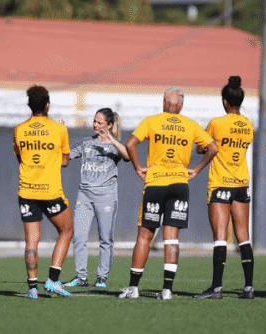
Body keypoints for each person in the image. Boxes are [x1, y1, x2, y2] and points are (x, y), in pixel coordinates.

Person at [119, 87, 217, 300]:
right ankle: (167, 290)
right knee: (171, 239)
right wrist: (197, 169)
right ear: (181, 105)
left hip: (155, 183)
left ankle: (133, 288)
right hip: (180, 185)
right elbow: (213, 148)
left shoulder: (151, 121)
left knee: (145, 236)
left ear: (164, 102)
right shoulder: (191, 125)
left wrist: (138, 167)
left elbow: (130, 144)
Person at [192, 76, 255, 300]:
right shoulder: (248, 125)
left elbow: (206, 148)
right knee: (243, 237)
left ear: (226, 102)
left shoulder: (216, 123)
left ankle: (216, 288)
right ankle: (249, 288)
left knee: (220, 237)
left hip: (220, 184)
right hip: (242, 184)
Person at [13, 85, 74, 299]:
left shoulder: (19, 129)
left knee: (32, 240)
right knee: (66, 231)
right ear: (47, 105)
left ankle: (32, 288)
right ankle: (53, 280)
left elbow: (21, 157)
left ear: (30, 105)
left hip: (27, 191)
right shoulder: (59, 129)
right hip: (50, 192)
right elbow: (65, 162)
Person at [64, 108, 129, 288]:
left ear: (109, 125)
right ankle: (81, 277)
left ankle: (102, 277)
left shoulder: (115, 145)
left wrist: (114, 142)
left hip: (106, 196)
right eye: (94, 121)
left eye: (100, 122)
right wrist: (60, 138)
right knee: (79, 237)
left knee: (105, 239)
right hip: (84, 195)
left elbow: (129, 156)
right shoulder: (86, 143)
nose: (95, 125)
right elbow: (66, 155)